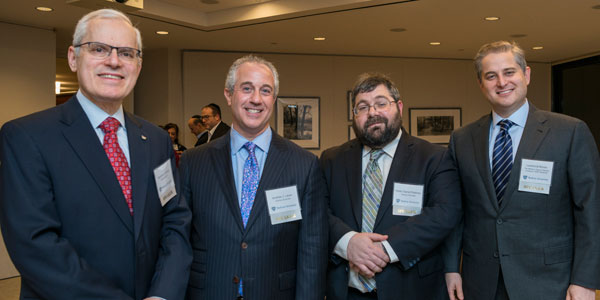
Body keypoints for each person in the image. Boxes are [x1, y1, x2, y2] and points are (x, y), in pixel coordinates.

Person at [0, 9, 192, 299]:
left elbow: (174, 220)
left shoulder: (155, 140)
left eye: (127, 53)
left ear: (138, 66)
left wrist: (163, 293)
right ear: (73, 58)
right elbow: (34, 244)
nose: (113, 61)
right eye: (99, 49)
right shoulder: (27, 137)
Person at [443, 41, 600, 300]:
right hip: (482, 281)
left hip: (550, 281)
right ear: (481, 84)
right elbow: (455, 211)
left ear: (526, 74)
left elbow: (591, 210)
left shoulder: (569, 132)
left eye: (509, 72)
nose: (501, 82)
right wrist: (451, 268)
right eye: (491, 76)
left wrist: (584, 280)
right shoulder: (462, 139)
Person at [180, 55, 327, 299]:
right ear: (228, 95)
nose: (256, 99)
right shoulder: (194, 162)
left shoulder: (304, 165)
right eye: (247, 88)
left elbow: (312, 249)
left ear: (274, 99)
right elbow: (178, 239)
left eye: (265, 91)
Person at [322, 73, 462, 300]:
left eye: (381, 103)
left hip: (411, 290)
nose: (373, 113)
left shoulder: (434, 157)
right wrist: (348, 242)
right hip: (347, 292)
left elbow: (444, 213)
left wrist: (384, 250)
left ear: (399, 106)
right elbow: (318, 212)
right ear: (354, 116)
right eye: (363, 107)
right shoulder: (331, 160)